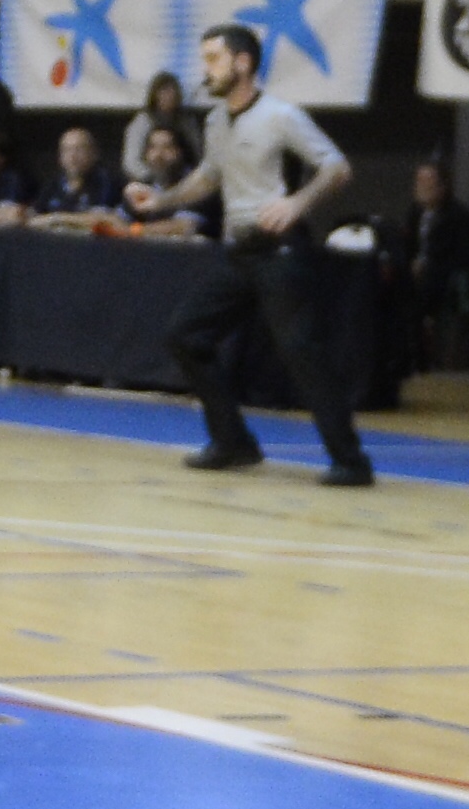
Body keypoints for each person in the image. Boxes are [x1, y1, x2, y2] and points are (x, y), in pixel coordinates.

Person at [129, 24, 369, 483]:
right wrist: (159, 201)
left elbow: (337, 168)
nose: (207, 69)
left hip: (280, 252)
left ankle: (351, 461)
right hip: (239, 252)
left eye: (214, 59)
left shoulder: (281, 115)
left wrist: (298, 203)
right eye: (205, 59)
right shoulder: (216, 121)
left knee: (301, 352)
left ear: (243, 63)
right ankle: (234, 442)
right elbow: (207, 178)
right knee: (186, 334)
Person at [375, 158, 469, 391]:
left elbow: (464, 256)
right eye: (418, 183)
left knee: (416, 296)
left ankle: (418, 356)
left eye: (428, 184)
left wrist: (426, 264)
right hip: (417, 275)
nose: (421, 189)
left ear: (443, 187)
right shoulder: (416, 213)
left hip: (445, 278)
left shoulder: (458, 217)